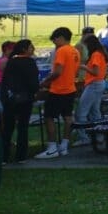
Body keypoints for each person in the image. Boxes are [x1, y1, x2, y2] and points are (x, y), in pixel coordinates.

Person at [37, 26, 80, 159]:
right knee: (67, 118)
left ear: (61, 38)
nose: (54, 44)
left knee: (49, 117)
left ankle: (52, 147)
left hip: (58, 89)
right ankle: (64, 145)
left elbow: (58, 71)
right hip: (70, 88)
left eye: (55, 41)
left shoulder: (62, 51)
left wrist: (46, 81)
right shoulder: (75, 51)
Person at [0, 39, 40, 163]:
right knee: (23, 127)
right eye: (31, 47)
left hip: (9, 99)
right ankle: (21, 156)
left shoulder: (11, 62)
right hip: (25, 98)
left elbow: (5, 81)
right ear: (24, 49)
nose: (33, 49)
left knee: (8, 128)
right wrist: (36, 91)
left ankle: (4, 156)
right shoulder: (30, 63)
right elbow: (33, 83)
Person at [75, 33, 108, 138]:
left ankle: (83, 137)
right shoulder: (100, 53)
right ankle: (99, 136)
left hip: (94, 84)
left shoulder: (95, 54)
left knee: (81, 112)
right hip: (99, 83)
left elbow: (95, 71)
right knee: (95, 112)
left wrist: (83, 67)